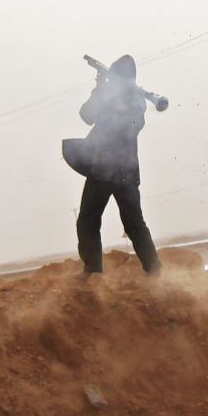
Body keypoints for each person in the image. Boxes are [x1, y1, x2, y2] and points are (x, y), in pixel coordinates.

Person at [70, 54, 161, 276]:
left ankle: (93, 271)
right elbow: (87, 116)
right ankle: (154, 270)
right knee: (133, 223)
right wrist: (103, 87)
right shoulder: (132, 99)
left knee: (90, 220)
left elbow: (91, 116)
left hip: (105, 168)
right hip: (125, 171)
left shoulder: (132, 100)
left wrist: (103, 90)